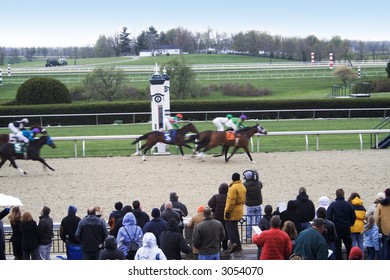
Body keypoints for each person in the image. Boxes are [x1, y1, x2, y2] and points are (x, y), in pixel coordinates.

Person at [327, 188, 356, 260]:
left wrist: (332, 227)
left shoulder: (333, 205)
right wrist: (350, 224)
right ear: (343, 194)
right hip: (346, 227)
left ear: (336, 195)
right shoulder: (349, 205)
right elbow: (353, 216)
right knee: (349, 246)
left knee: (337, 248)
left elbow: (329, 217)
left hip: (336, 228)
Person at [224, 172, 246, 254]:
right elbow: (243, 200)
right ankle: (238, 245)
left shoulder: (233, 188)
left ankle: (234, 244)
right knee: (235, 228)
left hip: (233, 211)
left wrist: (227, 211)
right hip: (240, 209)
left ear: (232, 179)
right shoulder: (242, 186)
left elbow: (231, 201)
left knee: (231, 229)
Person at [208, 182, 229, 252]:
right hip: (226, 218)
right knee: (225, 233)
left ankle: (218, 248)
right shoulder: (228, 197)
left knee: (217, 233)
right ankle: (225, 248)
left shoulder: (215, 197)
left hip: (216, 217)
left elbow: (210, 204)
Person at [243, 169, 263, 241]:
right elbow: (261, 186)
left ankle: (248, 236)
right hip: (258, 204)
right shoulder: (258, 183)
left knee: (249, 221)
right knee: (258, 220)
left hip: (250, 205)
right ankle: (259, 234)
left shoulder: (244, 185)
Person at [375, 187, 390, 260]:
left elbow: (377, 219)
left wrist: (380, 228)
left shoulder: (380, 205)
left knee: (385, 249)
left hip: (385, 230)